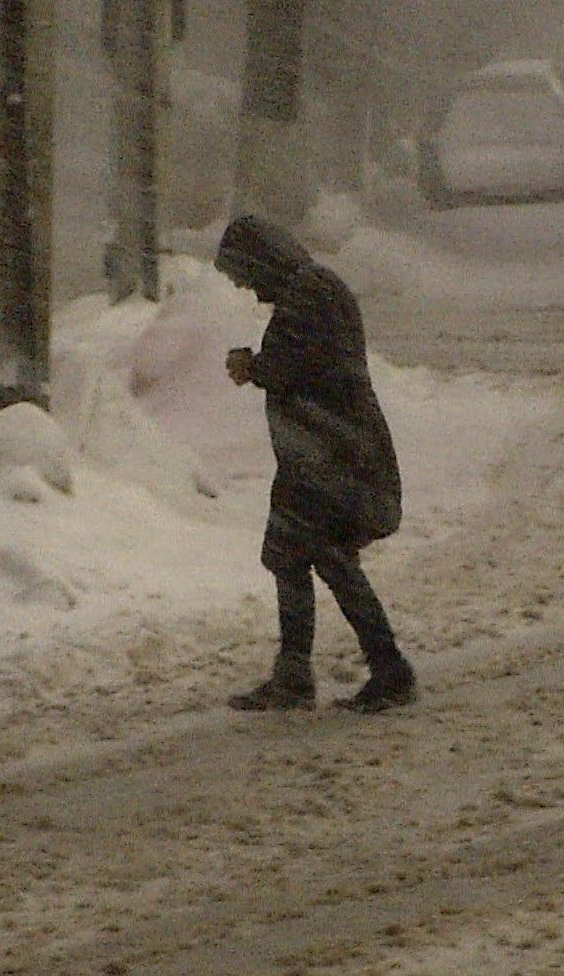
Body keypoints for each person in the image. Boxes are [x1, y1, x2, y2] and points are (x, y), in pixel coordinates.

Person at [215, 214, 416, 714]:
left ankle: (389, 670)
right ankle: (295, 674)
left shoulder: (312, 295)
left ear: (263, 259)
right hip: (317, 455)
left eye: (245, 272)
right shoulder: (311, 290)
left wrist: (253, 367)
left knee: (331, 559)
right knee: (290, 554)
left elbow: (297, 368)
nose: (246, 286)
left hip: (334, 456)